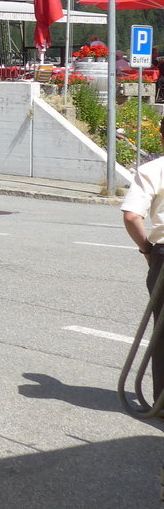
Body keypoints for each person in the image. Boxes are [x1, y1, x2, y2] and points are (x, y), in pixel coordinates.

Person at [121, 119, 164, 404]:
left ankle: (162, 403)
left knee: (163, 333)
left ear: (161, 136)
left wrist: (146, 249)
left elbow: (131, 216)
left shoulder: (152, 170)